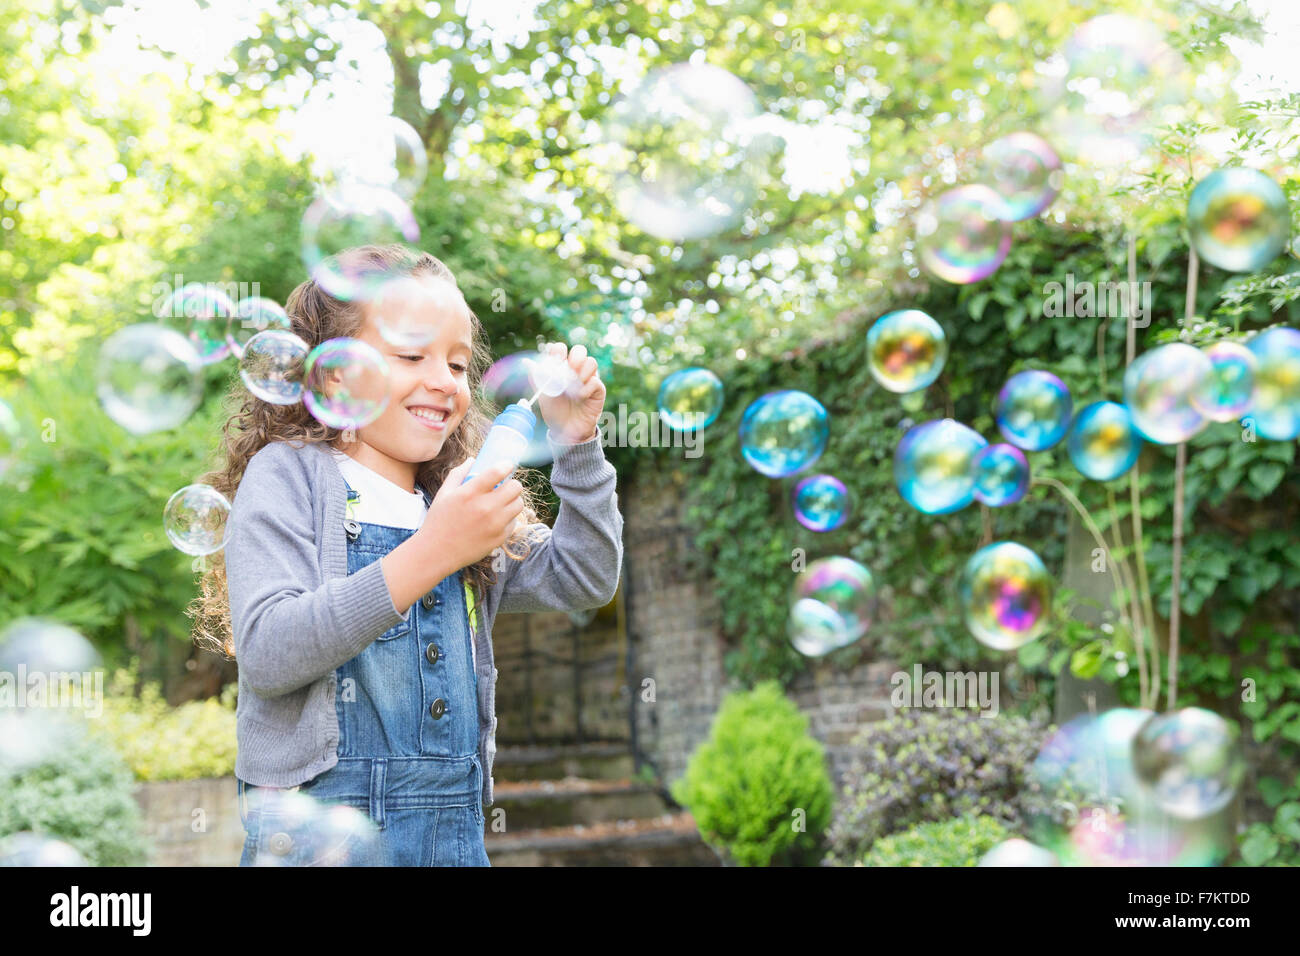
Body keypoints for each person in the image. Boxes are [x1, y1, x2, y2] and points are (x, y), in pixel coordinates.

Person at [190, 244, 623, 866]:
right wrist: (436, 549)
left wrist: (576, 443)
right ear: (333, 374)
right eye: (411, 355)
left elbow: (584, 578)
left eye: (456, 363)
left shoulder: (454, 499)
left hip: (452, 836)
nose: (443, 381)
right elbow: (271, 651)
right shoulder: (289, 477)